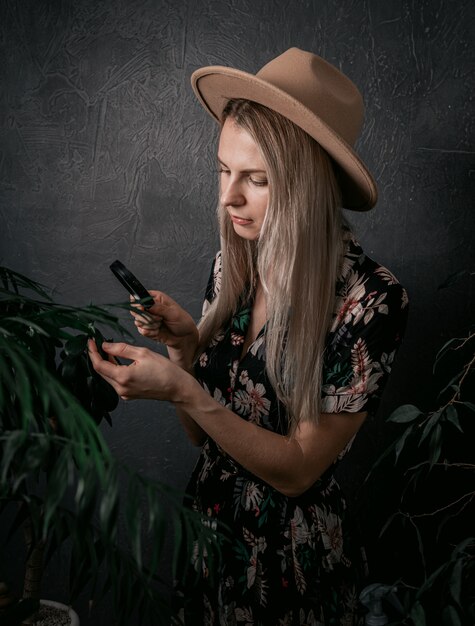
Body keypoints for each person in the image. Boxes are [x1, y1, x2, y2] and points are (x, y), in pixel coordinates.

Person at [88, 48, 409, 626]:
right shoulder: (230, 267)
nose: (228, 197)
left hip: (292, 565)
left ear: (308, 182)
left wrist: (181, 389)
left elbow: (297, 469)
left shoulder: (370, 300)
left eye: (256, 179)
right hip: (210, 544)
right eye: (223, 171)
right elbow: (201, 439)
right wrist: (184, 349)